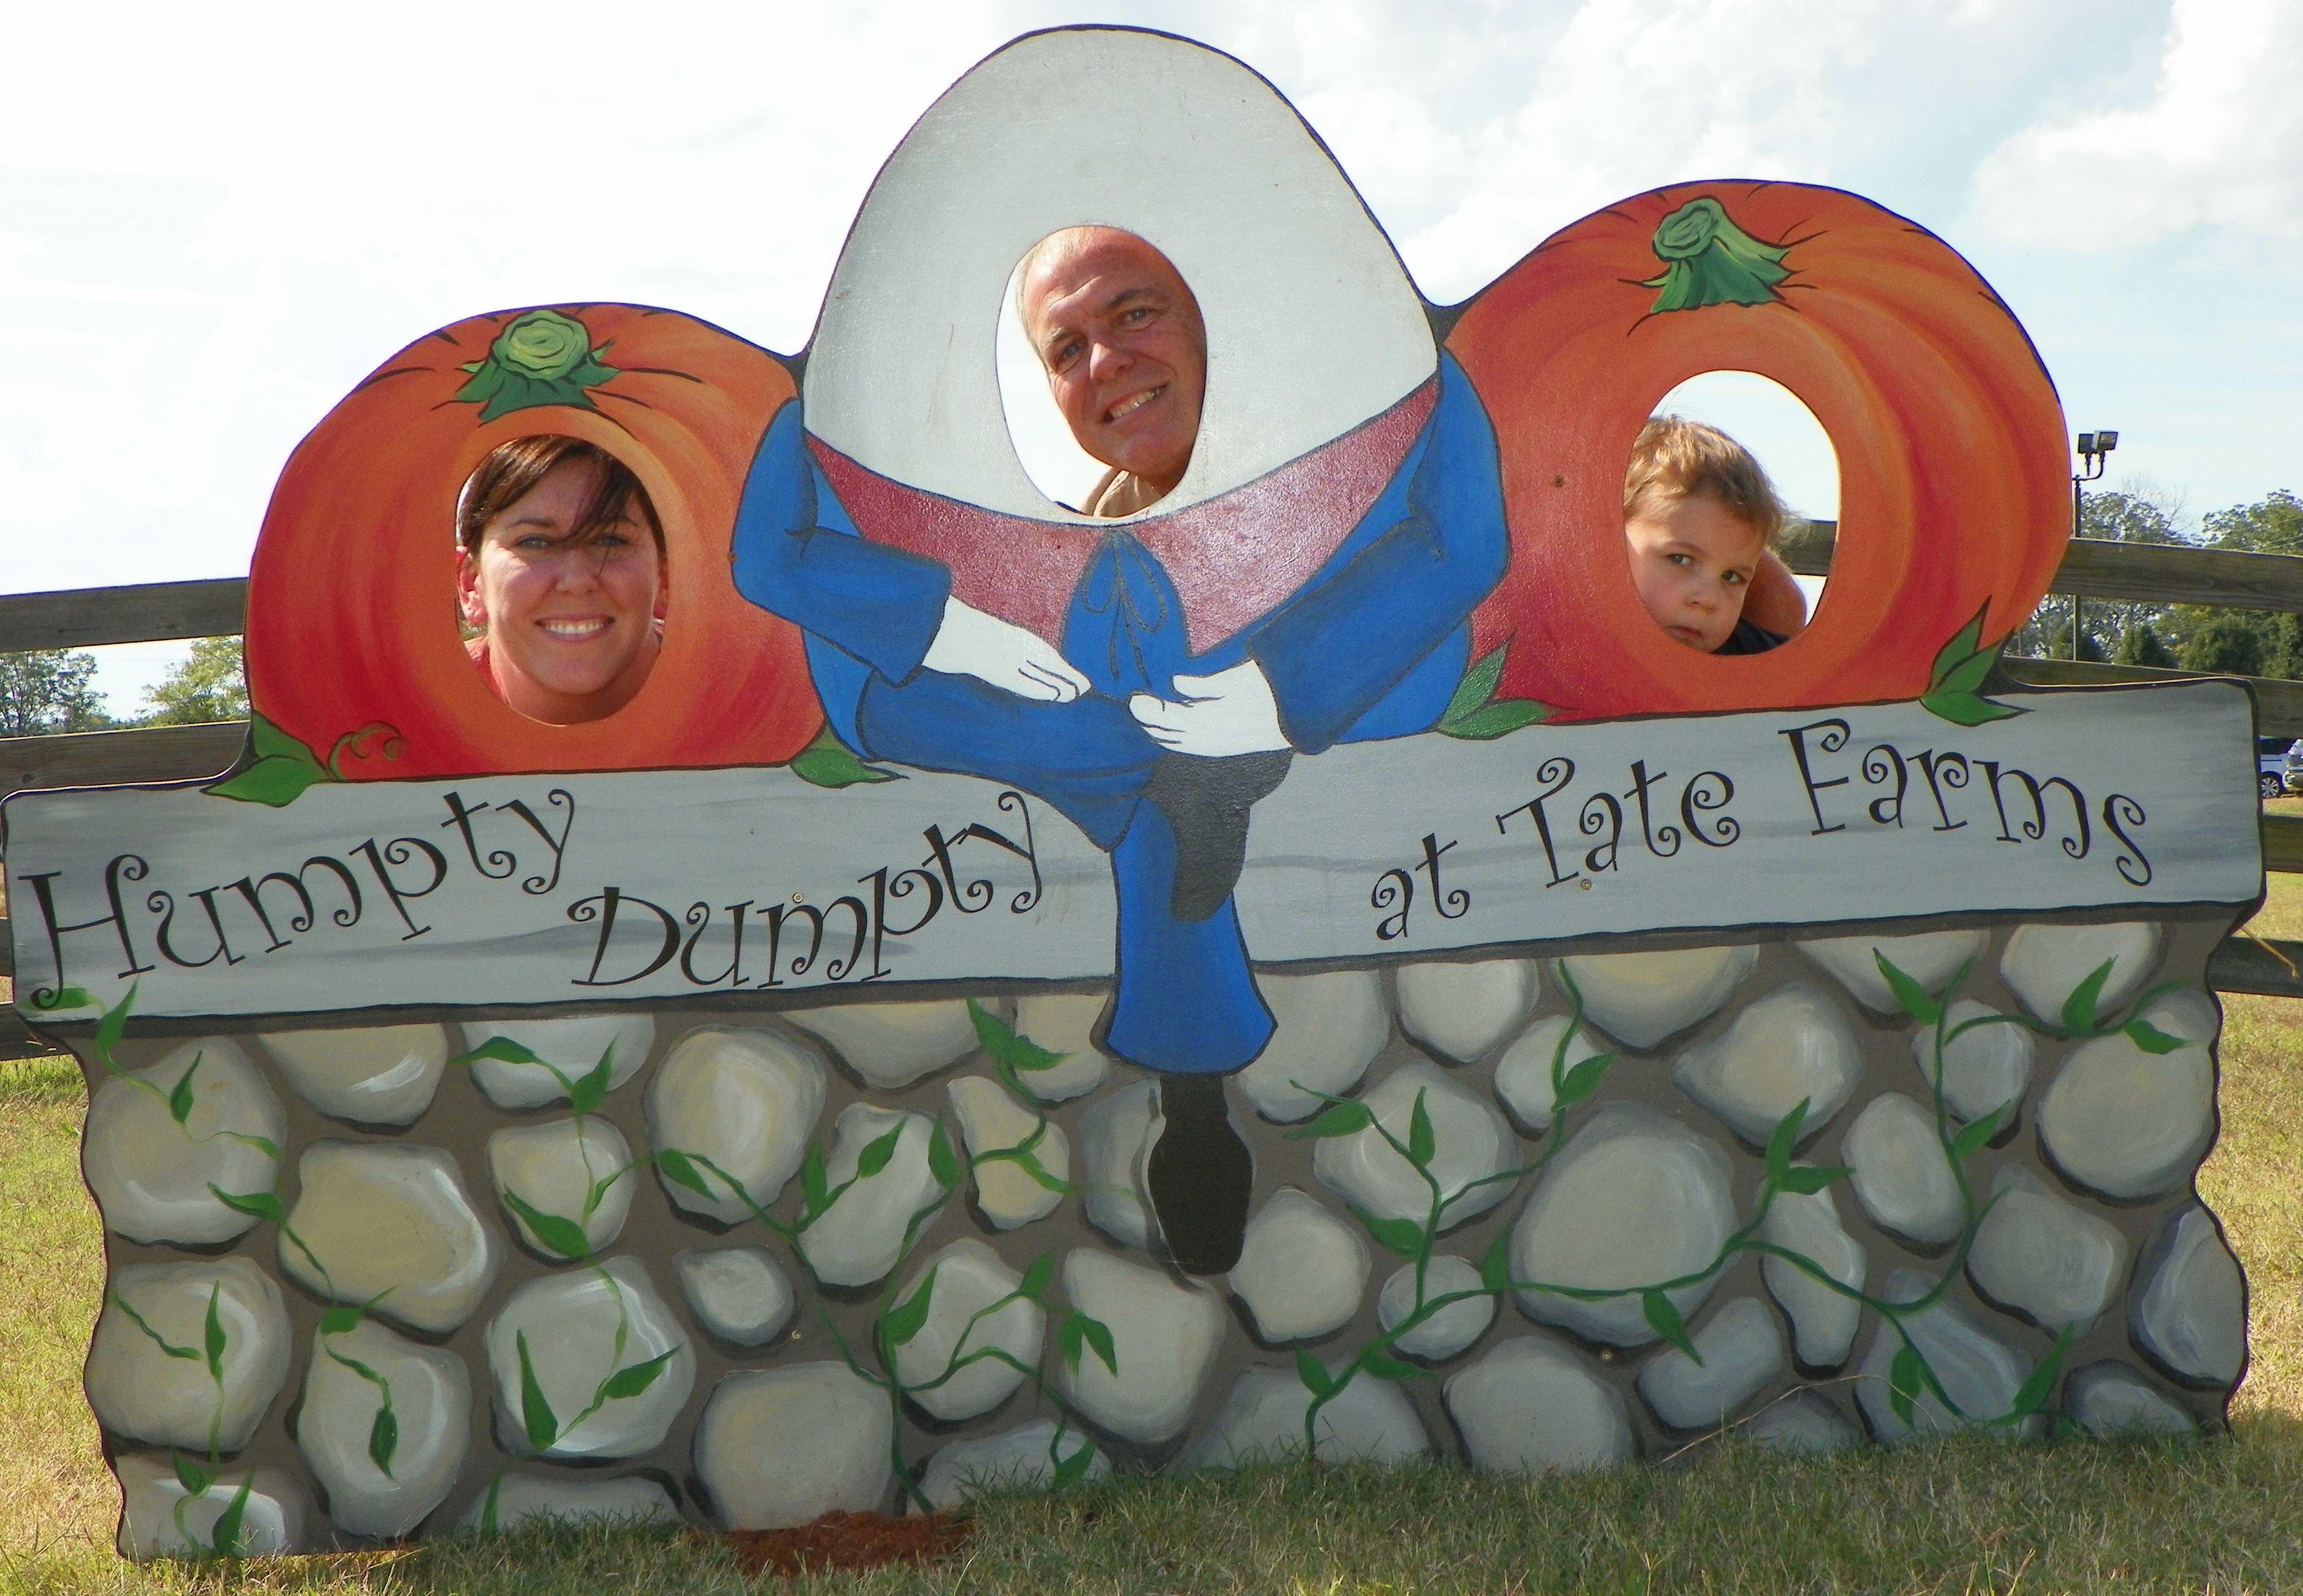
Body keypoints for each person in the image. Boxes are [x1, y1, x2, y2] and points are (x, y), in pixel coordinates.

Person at [730, 226, 1508, 1271]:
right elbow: (770, 553)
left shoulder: (1388, 391)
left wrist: (1281, 689)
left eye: (1135, 312)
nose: (1104, 362)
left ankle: (1192, 1093)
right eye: (1065, 349)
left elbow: (1465, 538)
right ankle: (1193, 1069)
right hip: (1125, 712)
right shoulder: (1068, 549)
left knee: (1149, 738)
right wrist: (948, 626)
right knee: (1150, 753)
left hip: (1335, 671)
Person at [455, 436, 667, 725]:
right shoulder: (410, 713)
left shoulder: (733, 707)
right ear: (470, 584)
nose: (576, 581)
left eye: (610, 540)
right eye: (534, 542)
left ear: (665, 576)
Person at [1622, 415, 1793, 655]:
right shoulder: (1568, 637)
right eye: (1680, 559)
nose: (1709, 600)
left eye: (1731, 577)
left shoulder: (1751, 659)